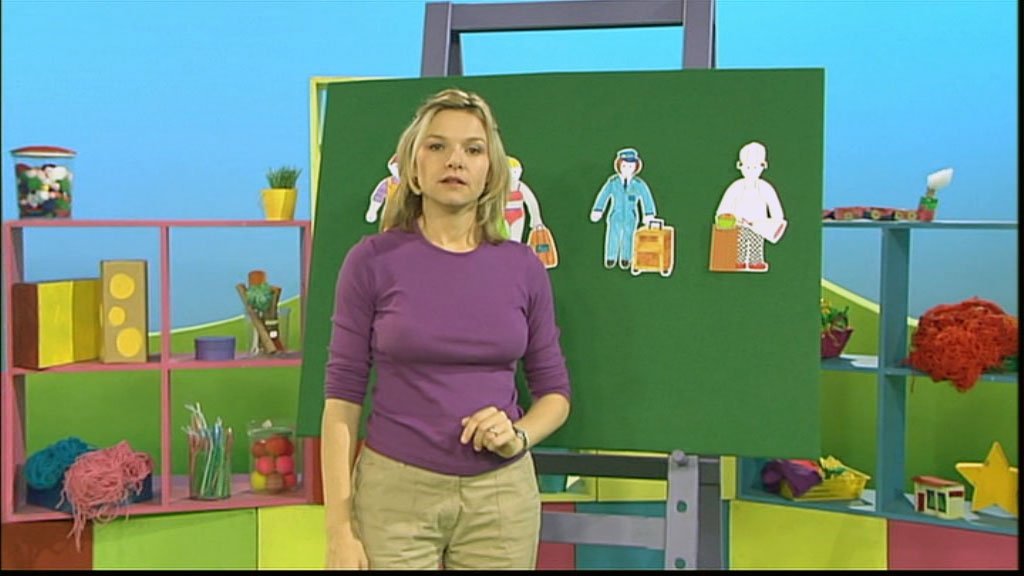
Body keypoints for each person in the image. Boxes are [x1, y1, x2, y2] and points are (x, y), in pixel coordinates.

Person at [322, 87, 572, 570]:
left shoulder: (523, 267)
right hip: (395, 495)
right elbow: (341, 401)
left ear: (491, 173)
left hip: (500, 499)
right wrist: (339, 530)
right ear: (413, 168)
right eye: (437, 146)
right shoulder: (372, 262)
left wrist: (518, 435)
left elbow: (555, 394)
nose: (454, 160)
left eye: (472, 150)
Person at [714, 141, 786, 272]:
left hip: (759, 224)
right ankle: (739, 261)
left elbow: (773, 204)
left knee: (756, 243)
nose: (751, 171)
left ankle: (755, 261)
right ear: (740, 166)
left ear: (762, 166)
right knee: (739, 242)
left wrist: (776, 220)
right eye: (747, 167)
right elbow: (727, 202)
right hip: (738, 223)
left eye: (755, 167)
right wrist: (723, 215)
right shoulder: (736, 186)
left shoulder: (764, 187)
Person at [589, 147, 657, 269]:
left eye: (630, 166)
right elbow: (604, 195)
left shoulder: (638, 184)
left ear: (636, 167)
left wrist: (648, 214)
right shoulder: (613, 182)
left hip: (631, 215)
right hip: (616, 213)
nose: (627, 169)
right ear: (619, 166)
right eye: (624, 166)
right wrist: (598, 209)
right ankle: (611, 257)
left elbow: (647, 198)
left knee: (629, 236)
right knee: (613, 235)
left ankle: (626, 258)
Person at [504, 156, 544, 243]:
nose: (511, 175)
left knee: (516, 241)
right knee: (502, 242)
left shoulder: (521, 187)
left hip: (518, 216)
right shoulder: (498, 187)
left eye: (514, 172)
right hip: (501, 217)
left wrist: (536, 220)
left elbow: (532, 202)